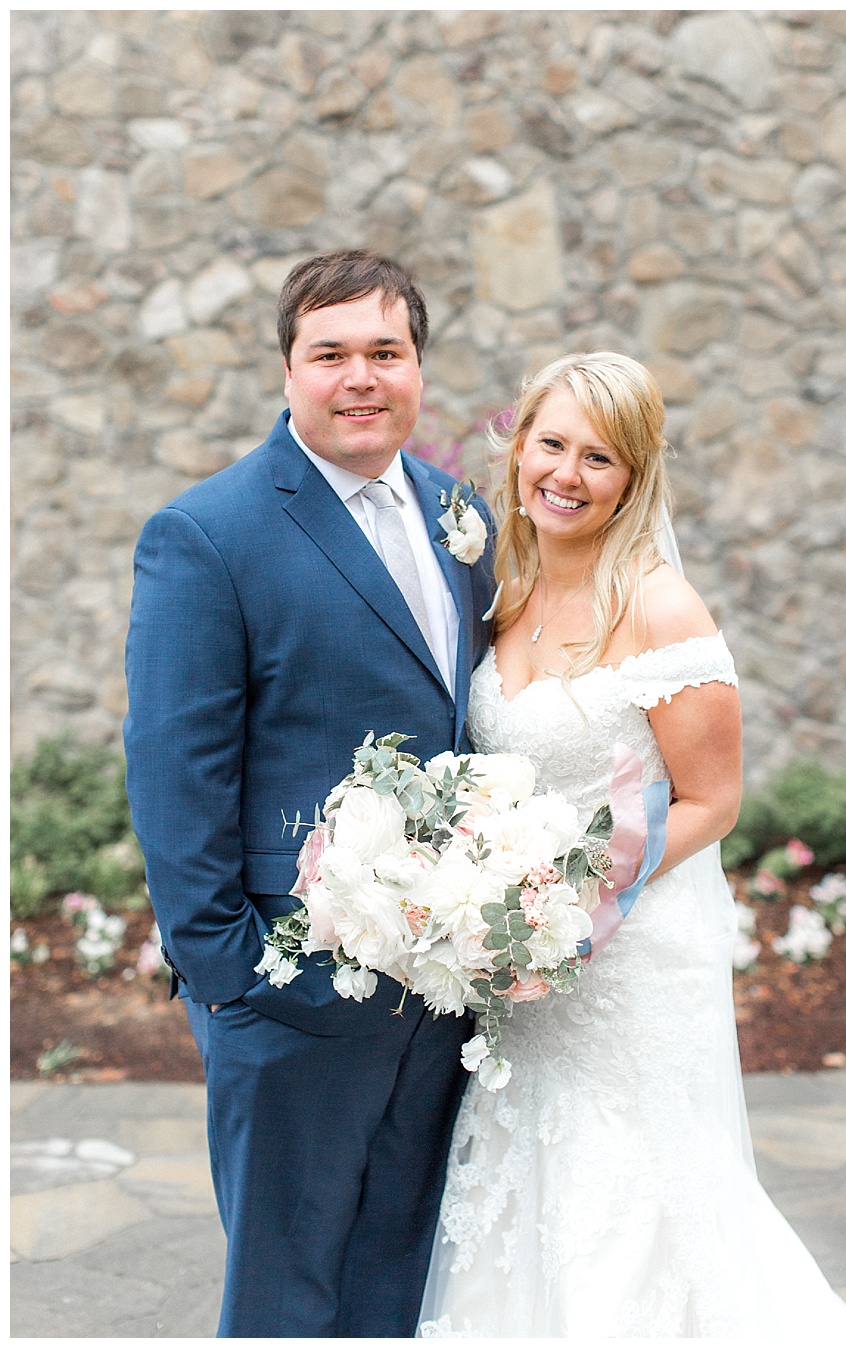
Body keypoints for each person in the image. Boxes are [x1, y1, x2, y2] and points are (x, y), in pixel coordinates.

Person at [415, 353, 846, 1335]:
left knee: (632, 1189)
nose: (568, 475)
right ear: (520, 442)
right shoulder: (502, 588)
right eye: (553, 445)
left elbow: (712, 798)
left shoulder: (662, 608)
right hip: (522, 963)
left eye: (600, 458)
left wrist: (575, 900)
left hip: (627, 958)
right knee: (526, 1165)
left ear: (633, 478)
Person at [123, 250, 499, 1336]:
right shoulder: (208, 535)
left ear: (419, 367)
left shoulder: (459, 516)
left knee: (402, 1279)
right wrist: (235, 978)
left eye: (386, 351)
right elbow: (175, 771)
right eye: (329, 353)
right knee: (287, 1298)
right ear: (288, 371)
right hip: (291, 996)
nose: (360, 377)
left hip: (439, 995)